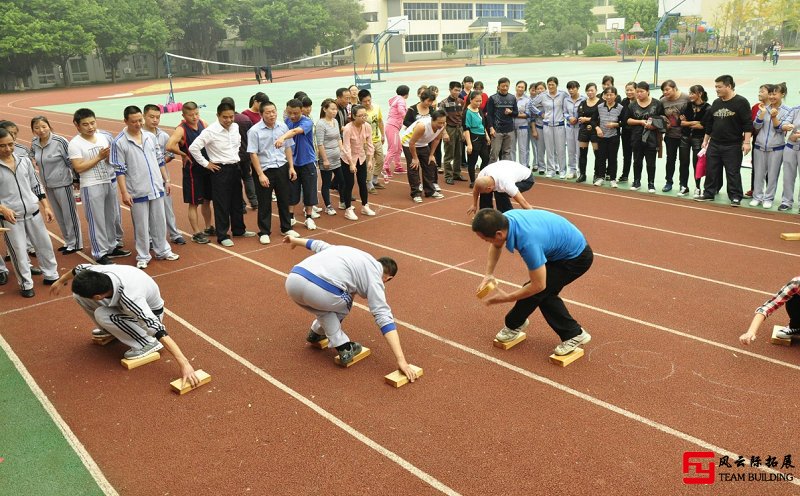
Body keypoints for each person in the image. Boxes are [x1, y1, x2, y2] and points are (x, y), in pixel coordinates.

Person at [283, 235, 416, 381]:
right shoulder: (375, 278)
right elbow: (383, 316)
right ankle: (344, 347)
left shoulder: (352, 253)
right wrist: (401, 360)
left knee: (323, 308)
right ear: (387, 278)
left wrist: (294, 240)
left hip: (293, 281)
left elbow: (317, 244)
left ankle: (316, 332)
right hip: (320, 290)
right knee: (346, 299)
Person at [49, 264, 201, 387]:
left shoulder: (131, 299)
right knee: (78, 296)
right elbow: (78, 269)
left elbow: (159, 330)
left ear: (98, 296)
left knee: (102, 314)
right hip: (127, 302)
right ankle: (112, 329)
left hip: (151, 313)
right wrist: (61, 280)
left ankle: (146, 343)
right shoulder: (96, 272)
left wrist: (184, 364)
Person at [471, 208, 593, 356]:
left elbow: (538, 285)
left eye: (486, 239)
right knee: (537, 291)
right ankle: (514, 323)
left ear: (499, 234)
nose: (487, 242)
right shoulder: (504, 220)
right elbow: (496, 244)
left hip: (576, 257)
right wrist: (488, 274)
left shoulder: (528, 243)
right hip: (559, 248)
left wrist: (508, 297)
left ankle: (574, 334)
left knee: (542, 292)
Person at [110, 106, 180, 269]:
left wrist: (166, 180)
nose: (138, 124)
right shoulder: (119, 142)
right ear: (125, 121)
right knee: (141, 225)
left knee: (159, 222)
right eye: (134, 121)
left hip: (156, 187)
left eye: (140, 120)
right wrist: (124, 192)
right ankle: (143, 255)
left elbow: (159, 160)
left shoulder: (150, 137)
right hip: (137, 190)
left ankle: (163, 250)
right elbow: (119, 170)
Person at [0, 128, 59, 297]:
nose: (7, 149)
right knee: (18, 252)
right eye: (2, 146)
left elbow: (36, 184)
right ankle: (25, 284)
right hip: (12, 219)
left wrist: (46, 206)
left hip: (33, 212)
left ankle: (51, 274)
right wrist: (3, 209)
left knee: (44, 245)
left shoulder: (24, 161)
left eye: (10, 144)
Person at [188, 101, 256, 246]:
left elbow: (237, 143)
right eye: (225, 117)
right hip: (220, 170)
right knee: (222, 204)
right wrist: (207, 164)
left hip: (235, 168)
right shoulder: (210, 131)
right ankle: (223, 235)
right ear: (218, 116)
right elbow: (194, 148)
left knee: (237, 201)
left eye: (231, 116)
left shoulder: (235, 126)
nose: (229, 120)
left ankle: (239, 230)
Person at [68, 108, 130, 264]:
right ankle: (99, 252)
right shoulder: (75, 144)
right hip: (91, 185)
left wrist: (108, 158)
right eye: (85, 124)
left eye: (92, 123)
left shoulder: (103, 137)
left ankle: (112, 246)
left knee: (111, 216)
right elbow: (79, 167)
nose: (90, 127)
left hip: (108, 181)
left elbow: (111, 161)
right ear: (77, 125)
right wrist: (98, 157)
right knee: (96, 220)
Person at [247, 100, 299, 244]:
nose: (272, 115)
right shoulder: (254, 131)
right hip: (265, 169)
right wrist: (260, 174)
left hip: (281, 167)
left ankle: (286, 227)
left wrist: (291, 167)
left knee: (284, 198)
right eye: (268, 112)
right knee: (264, 201)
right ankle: (264, 231)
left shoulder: (283, 127)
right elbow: (253, 154)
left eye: (273, 111)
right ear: (261, 114)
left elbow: (288, 147)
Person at [30, 116, 83, 253]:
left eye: (43, 126)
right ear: (33, 130)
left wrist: (76, 179)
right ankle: (68, 241)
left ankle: (76, 243)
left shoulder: (60, 141)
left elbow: (71, 161)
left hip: (63, 183)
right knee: (60, 215)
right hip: (48, 185)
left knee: (69, 214)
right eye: (37, 127)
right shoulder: (35, 142)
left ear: (49, 126)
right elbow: (31, 157)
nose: (41, 130)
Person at [697, 75, 752, 206]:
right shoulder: (716, 103)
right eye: (716, 86)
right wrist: (705, 141)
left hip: (732, 144)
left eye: (719, 86)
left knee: (732, 172)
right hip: (714, 143)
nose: (716, 89)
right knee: (711, 170)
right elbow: (710, 124)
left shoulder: (741, 102)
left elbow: (747, 124)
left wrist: (747, 142)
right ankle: (709, 193)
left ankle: (735, 196)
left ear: (729, 86)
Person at [166, 101, 214, 244]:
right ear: (183, 115)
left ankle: (208, 227)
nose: (194, 117)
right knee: (194, 203)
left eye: (196, 114)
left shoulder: (203, 123)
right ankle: (196, 232)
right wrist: (183, 154)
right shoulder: (181, 129)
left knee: (207, 200)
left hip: (206, 167)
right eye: (191, 115)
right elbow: (169, 145)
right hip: (193, 171)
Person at [142, 105, 186, 245]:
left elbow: (170, 154)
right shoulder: (140, 135)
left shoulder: (164, 136)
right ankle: (149, 238)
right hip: (145, 179)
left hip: (162, 177)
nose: (155, 120)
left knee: (167, 206)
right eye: (151, 117)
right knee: (147, 209)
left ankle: (174, 233)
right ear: (144, 116)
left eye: (157, 117)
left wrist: (158, 163)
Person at [276, 99, 319, 230]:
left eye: (295, 113)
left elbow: (295, 132)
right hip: (291, 163)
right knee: (291, 191)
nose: (292, 116)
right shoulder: (288, 121)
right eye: (290, 113)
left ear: (302, 111)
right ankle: (290, 216)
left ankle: (309, 217)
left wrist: (282, 138)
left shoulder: (307, 122)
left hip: (307, 161)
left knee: (309, 190)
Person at [751, 83, 790, 210]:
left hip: (777, 148)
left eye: (775, 94)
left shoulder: (787, 111)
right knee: (758, 174)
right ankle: (757, 197)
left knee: (773, 175)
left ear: (782, 94)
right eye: (771, 94)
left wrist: (774, 117)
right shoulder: (763, 108)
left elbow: (780, 129)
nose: (772, 96)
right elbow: (756, 127)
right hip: (759, 146)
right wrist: (762, 114)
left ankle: (768, 198)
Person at [220, 97, 258, 214]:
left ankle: (241, 205)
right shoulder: (245, 119)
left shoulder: (223, 122)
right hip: (246, 155)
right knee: (248, 177)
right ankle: (254, 201)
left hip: (233, 156)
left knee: (236, 181)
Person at [627, 81, 666, 193]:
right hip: (637, 137)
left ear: (648, 91)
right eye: (637, 91)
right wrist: (640, 122)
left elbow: (662, 119)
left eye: (641, 91)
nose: (639, 94)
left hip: (652, 138)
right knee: (637, 161)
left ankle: (651, 183)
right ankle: (636, 181)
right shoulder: (632, 105)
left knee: (651, 162)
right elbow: (628, 120)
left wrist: (654, 125)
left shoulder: (657, 104)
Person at [401, 111, 446, 203]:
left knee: (430, 164)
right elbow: (411, 143)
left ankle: (430, 191)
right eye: (439, 123)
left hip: (423, 144)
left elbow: (437, 139)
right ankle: (416, 193)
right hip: (408, 143)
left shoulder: (442, 126)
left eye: (443, 122)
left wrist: (431, 155)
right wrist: (415, 158)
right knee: (414, 166)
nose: (441, 125)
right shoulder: (422, 126)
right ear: (432, 120)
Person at [740, 275, 800, 344]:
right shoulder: (796, 283)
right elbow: (769, 306)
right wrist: (751, 331)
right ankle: (796, 326)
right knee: (794, 299)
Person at [340, 104, 376, 220]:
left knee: (362, 182)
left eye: (365, 115)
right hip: (347, 159)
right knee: (349, 184)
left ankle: (365, 206)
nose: (363, 118)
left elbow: (370, 144)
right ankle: (348, 209)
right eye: (360, 116)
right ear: (354, 116)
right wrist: (351, 163)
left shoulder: (367, 126)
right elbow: (346, 147)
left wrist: (370, 160)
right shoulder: (348, 129)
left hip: (361, 157)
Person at [528, 77, 568, 178]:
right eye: (549, 84)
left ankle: (562, 170)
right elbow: (531, 104)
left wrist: (565, 114)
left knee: (560, 149)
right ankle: (551, 170)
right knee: (549, 149)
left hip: (559, 125)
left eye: (552, 84)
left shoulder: (563, 94)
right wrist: (540, 113)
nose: (550, 87)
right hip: (547, 125)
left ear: (556, 85)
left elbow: (568, 103)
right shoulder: (543, 95)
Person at [468, 160, 535, 214]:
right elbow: (476, 189)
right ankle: (486, 214)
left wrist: (536, 217)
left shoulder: (506, 184)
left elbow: (523, 202)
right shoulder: (482, 176)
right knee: (485, 190)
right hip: (506, 170)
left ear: (489, 188)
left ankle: (507, 216)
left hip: (527, 179)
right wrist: (474, 204)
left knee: (500, 192)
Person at [678, 85, 710, 198]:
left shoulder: (707, 108)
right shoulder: (686, 106)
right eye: (690, 93)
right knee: (683, 163)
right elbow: (681, 123)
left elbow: (703, 126)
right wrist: (695, 122)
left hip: (699, 139)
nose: (690, 95)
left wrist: (689, 122)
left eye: (693, 93)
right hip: (685, 138)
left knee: (697, 164)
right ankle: (684, 186)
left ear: (700, 94)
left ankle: (698, 187)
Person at [659, 80, 691, 192]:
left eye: (667, 89)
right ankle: (668, 182)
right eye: (663, 90)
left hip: (684, 136)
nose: (665, 92)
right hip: (670, 136)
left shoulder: (686, 98)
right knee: (670, 159)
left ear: (675, 88)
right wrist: (664, 125)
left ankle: (683, 184)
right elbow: (661, 117)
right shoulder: (662, 101)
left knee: (684, 161)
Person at [315, 99, 345, 217]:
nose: (334, 111)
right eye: (332, 109)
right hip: (327, 158)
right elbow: (320, 143)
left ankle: (342, 202)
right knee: (326, 183)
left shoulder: (335, 122)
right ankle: (328, 206)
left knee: (342, 180)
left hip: (337, 157)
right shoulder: (321, 124)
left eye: (336, 109)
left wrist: (342, 151)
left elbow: (338, 138)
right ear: (324, 109)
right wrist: (325, 159)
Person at [594, 86, 624, 188]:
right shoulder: (599, 107)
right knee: (601, 158)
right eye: (607, 94)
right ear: (604, 96)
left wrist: (615, 125)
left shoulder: (620, 108)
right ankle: (601, 177)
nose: (609, 96)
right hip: (602, 137)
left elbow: (624, 122)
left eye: (611, 94)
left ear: (615, 96)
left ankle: (613, 179)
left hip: (614, 137)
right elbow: (593, 120)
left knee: (612, 158)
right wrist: (597, 128)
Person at [358, 89, 386, 192]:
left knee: (381, 160)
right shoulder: (360, 112)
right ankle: (368, 182)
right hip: (366, 142)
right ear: (360, 101)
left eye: (369, 100)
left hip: (377, 139)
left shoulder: (377, 107)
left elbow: (380, 121)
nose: (368, 103)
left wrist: (383, 135)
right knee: (369, 162)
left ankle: (374, 179)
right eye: (365, 101)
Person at [486, 77, 518, 163]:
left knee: (507, 153)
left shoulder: (512, 98)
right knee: (494, 154)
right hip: (497, 130)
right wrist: (491, 128)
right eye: (503, 86)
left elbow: (516, 113)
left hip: (509, 130)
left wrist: (511, 112)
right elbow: (489, 115)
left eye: (507, 86)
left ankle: (504, 174)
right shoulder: (492, 98)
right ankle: (490, 174)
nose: (505, 88)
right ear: (498, 86)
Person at [463, 91, 491, 188]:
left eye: (480, 101)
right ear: (471, 100)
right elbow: (466, 129)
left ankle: (480, 178)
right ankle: (473, 181)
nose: (479, 103)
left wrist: (486, 135)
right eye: (476, 101)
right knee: (472, 161)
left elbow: (482, 124)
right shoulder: (467, 112)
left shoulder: (479, 110)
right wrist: (469, 144)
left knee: (486, 158)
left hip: (482, 137)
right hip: (473, 138)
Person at [439, 81, 465, 184]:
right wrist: (444, 132)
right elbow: (441, 120)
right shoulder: (443, 103)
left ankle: (457, 173)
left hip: (459, 129)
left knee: (459, 153)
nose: (457, 92)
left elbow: (462, 117)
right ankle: (448, 175)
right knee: (449, 153)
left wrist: (462, 130)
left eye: (459, 90)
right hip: (449, 128)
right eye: (455, 90)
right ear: (450, 90)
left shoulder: (461, 102)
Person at [576, 82, 600, 184]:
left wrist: (587, 119)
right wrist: (588, 119)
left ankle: (597, 174)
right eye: (588, 90)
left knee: (597, 153)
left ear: (596, 91)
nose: (590, 92)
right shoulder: (582, 103)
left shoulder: (601, 103)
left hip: (595, 131)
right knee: (582, 153)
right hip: (584, 131)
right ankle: (582, 174)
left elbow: (600, 118)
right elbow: (581, 118)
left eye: (592, 90)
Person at [384, 85, 409, 178]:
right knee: (393, 148)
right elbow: (401, 111)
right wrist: (407, 122)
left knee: (398, 147)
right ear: (407, 94)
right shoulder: (401, 100)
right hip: (392, 127)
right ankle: (385, 167)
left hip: (393, 127)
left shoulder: (397, 99)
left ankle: (398, 166)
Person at [779, 105, 800, 211]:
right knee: (788, 176)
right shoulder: (795, 109)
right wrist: (786, 126)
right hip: (791, 147)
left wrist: (797, 136)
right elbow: (783, 124)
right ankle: (786, 201)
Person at [563, 81, 584, 179]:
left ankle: (581, 171)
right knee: (571, 150)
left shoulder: (583, 99)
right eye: (569, 88)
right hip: (569, 128)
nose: (571, 90)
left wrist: (577, 118)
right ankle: (572, 170)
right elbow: (564, 112)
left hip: (580, 128)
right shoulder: (566, 100)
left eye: (573, 88)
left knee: (579, 151)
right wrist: (569, 118)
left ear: (578, 88)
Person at [617, 82, 637, 183]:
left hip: (638, 133)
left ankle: (637, 178)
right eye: (627, 90)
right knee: (627, 154)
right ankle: (625, 175)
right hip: (625, 132)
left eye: (631, 90)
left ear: (636, 90)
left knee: (637, 156)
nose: (629, 92)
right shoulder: (624, 102)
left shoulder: (640, 102)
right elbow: (620, 117)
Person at [512, 80, 531, 169]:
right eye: (518, 86)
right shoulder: (510, 98)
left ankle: (523, 167)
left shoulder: (527, 100)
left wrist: (514, 114)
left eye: (522, 87)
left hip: (523, 126)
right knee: (512, 148)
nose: (520, 89)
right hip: (511, 127)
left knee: (523, 148)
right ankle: (512, 166)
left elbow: (527, 114)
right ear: (516, 87)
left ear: (525, 89)